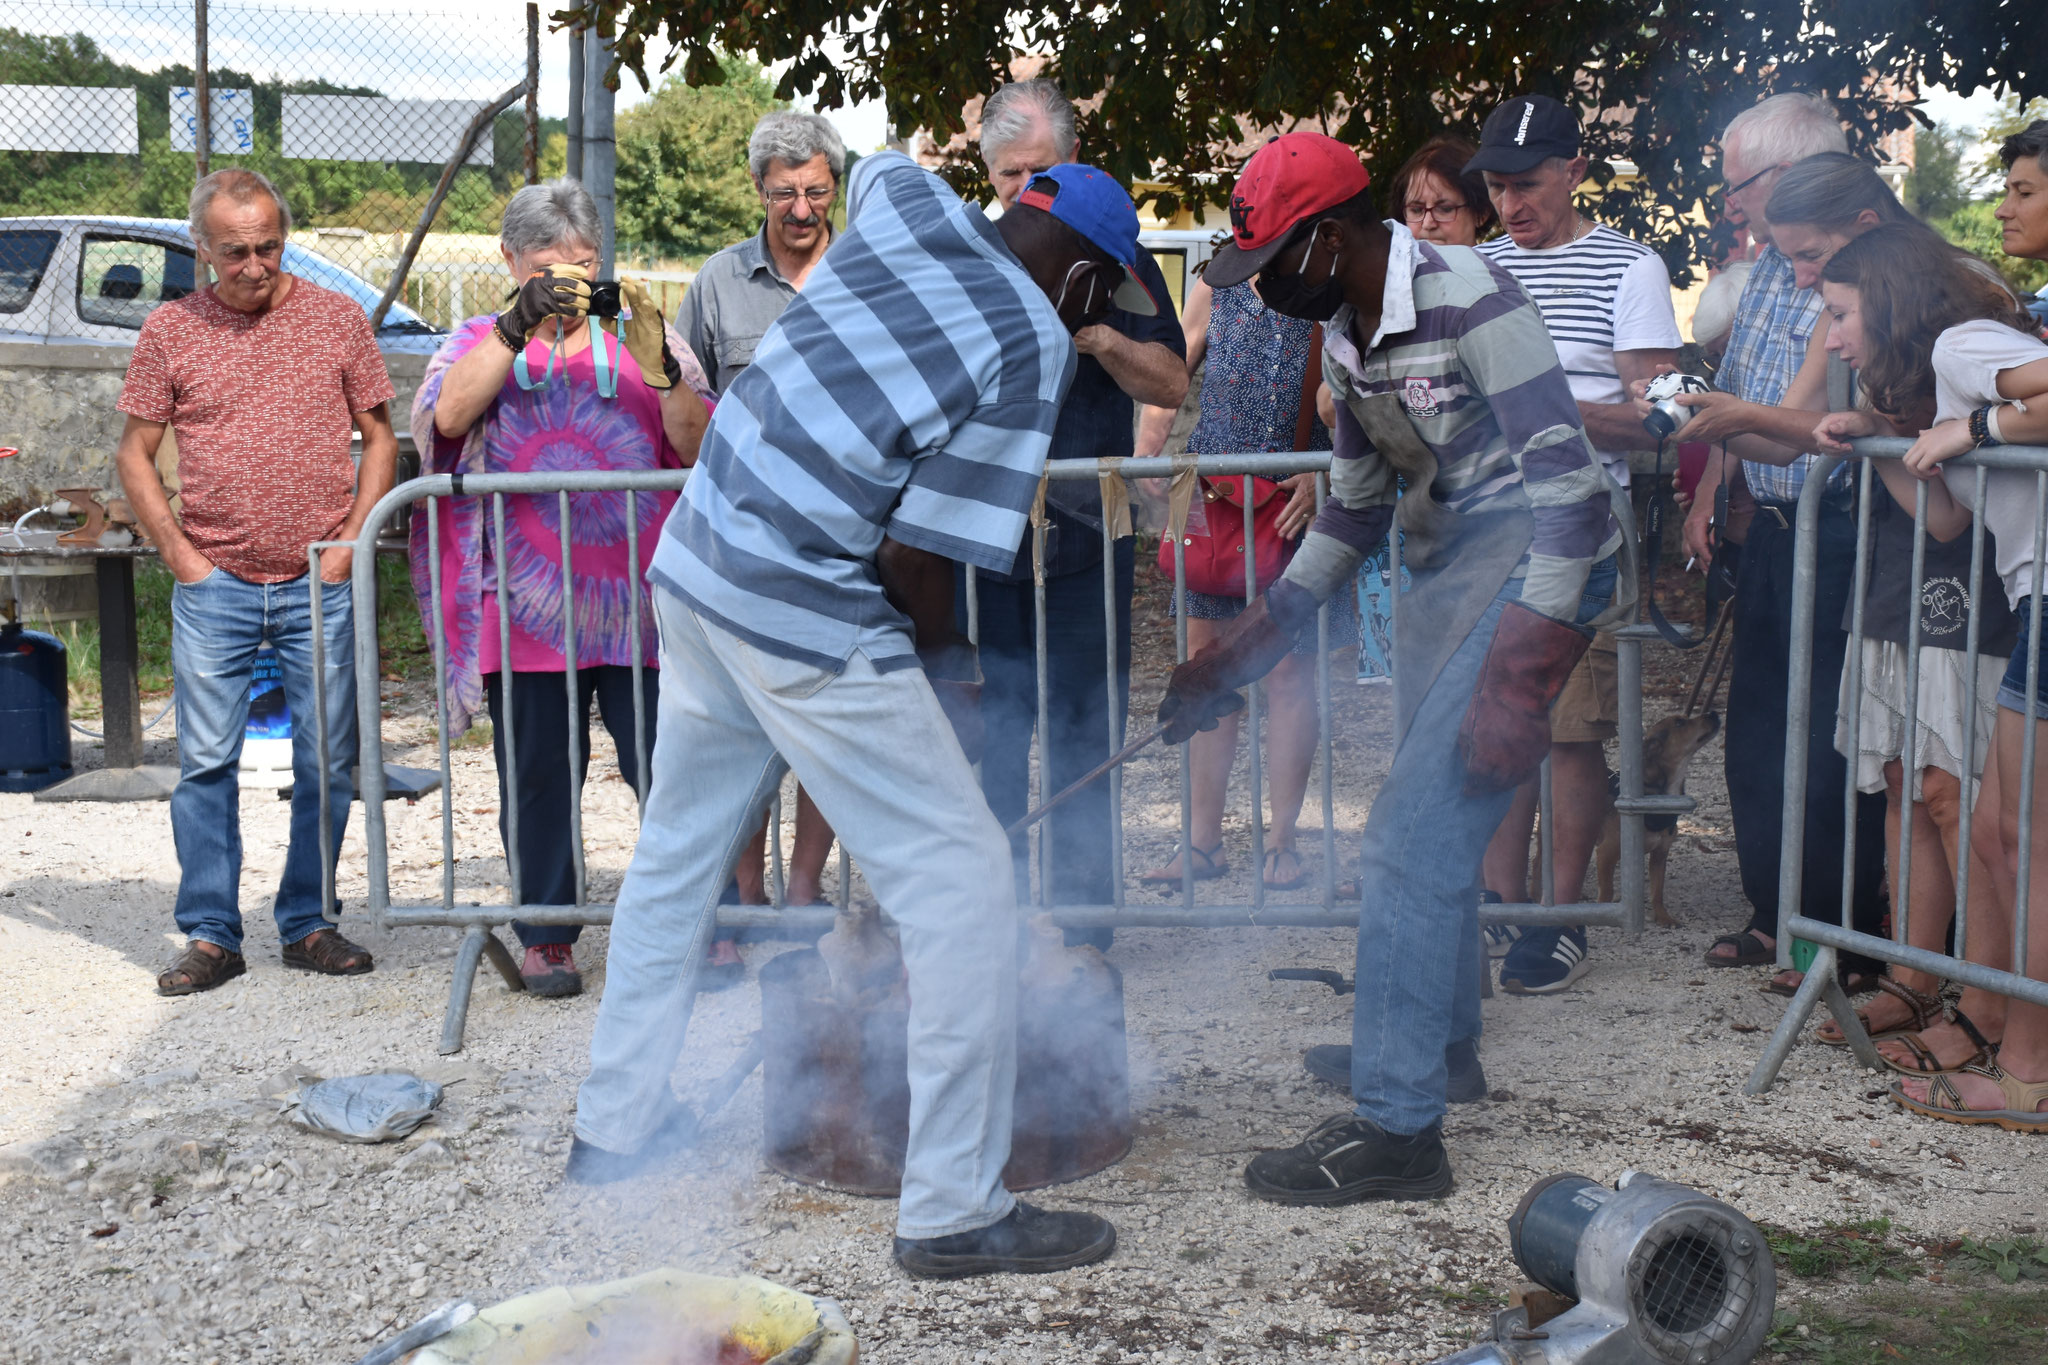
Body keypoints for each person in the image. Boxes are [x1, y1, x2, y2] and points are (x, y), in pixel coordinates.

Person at [569, 150, 1155, 1277]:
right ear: (1086, 284)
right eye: (1103, 291)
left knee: (676, 858)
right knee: (966, 887)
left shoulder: (905, 206)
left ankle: (613, 1129)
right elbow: (914, 555)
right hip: (798, 601)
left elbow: (884, 163)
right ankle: (950, 1210)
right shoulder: (1032, 342)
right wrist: (950, 687)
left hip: (695, 564)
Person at [1160, 132, 1630, 1203]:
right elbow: (1355, 507)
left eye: (1273, 263)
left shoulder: (1472, 298)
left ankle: (1399, 1129)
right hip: (1445, 568)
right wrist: (1247, 645)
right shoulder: (1340, 332)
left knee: (1409, 842)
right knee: (1439, 826)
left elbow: (1567, 495)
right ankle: (1437, 1050)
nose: (1264, 290)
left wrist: (1518, 681)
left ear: (1326, 239)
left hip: (1532, 572)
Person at [1661, 155, 2016, 1040]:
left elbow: (1881, 453)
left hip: (1967, 572)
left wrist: (1754, 417)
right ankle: (1913, 974)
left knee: (1952, 787)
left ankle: (1981, 998)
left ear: (1865, 232)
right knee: (1899, 774)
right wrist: (1749, 422)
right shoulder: (1858, 305)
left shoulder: (1958, 303)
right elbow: (1810, 436)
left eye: (1813, 259)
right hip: (1892, 551)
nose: (1803, 281)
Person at [411, 179, 713, 998]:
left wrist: (659, 365)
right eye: (548, 268)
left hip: (639, 604)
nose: (568, 284)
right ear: (510, 261)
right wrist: (518, 324)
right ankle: (546, 930)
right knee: (538, 769)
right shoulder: (478, 338)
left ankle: (696, 920)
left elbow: (696, 443)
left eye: (582, 265)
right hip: (526, 605)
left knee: (667, 764)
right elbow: (444, 420)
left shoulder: (643, 339)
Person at [113, 168, 396, 995]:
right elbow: (135, 452)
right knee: (204, 763)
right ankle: (210, 933)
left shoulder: (337, 319)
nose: (254, 264)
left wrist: (347, 543)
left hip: (319, 579)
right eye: (234, 250)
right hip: (217, 583)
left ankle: (308, 921)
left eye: (269, 245)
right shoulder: (170, 329)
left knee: (327, 758)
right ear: (200, 247)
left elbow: (379, 438)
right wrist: (182, 557)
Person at [1809, 220, 2048, 1133]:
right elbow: (1947, 522)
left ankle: (2026, 1071)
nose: (1831, 338)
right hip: (2035, 598)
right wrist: (1880, 433)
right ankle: (2004, 1039)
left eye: (1839, 314)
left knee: (2018, 839)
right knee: (2000, 834)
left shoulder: (1960, 342)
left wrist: (1978, 424)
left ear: (1889, 302)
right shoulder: (1948, 362)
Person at [1668, 94, 1889, 992]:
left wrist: (1702, 424)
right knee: (1759, 728)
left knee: (1832, 738)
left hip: (1848, 527)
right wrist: (1717, 484)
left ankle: (1839, 933)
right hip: (1771, 521)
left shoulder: (1858, 270)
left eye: (1740, 184)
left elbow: (1800, 419)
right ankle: (1775, 913)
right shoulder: (1768, 266)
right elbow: (1752, 401)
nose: (1728, 203)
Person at [1465, 94, 1682, 993]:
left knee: (1565, 731)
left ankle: (1563, 919)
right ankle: (1497, 899)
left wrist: (1537, 406)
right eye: (1497, 185)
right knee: (1494, 721)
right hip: (1481, 526)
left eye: (1528, 184)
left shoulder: (1631, 266)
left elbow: (1659, 414)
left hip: (1581, 528)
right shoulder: (1470, 267)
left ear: (1575, 172)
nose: (1512, 203)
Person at [962, 79, 1187, 943]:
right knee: (989, 737)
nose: (1026, 193)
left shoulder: (1114, 253)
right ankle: (992, 925)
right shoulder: (966, 249)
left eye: (1043, 171)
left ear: (1074, 164)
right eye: (1011, 174)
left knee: (1085, 732)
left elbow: (1170, 378)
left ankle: (1084, 926)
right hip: (982, 534)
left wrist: (1094, 334)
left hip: (1089, 531)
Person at [674, 111, 848, 980]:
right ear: (759, 192)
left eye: (817, 191)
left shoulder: (866, 275)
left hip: (844, 545)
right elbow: (685, 402)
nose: (803, 208)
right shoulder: (714, 283)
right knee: (745, 732)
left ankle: (807, 897)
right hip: (740, 546)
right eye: (786, 193)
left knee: (822, 728)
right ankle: (744, 898)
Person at [1131, 263, 1354, 891]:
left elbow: (1357, 395)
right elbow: (1172, 368)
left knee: (1288, 675)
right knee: (1205, 667)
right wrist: (1149, 448)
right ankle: (1201, 843)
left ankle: (1282, 842)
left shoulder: (1331, 282)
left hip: (1294, 507)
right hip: (1217, 502)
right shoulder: (1216, 279)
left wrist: (1325, 471)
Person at [1350, 136, 1497, 686]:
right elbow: (1332, 404)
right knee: (1418, 686)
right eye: (1416, 209)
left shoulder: (1496, 287)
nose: (1429, 223)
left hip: (1487, 525)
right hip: (1409, 520)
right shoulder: (1382, 296)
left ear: (1478, 213)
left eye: (1445, 207)